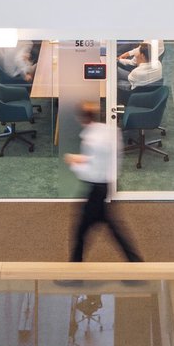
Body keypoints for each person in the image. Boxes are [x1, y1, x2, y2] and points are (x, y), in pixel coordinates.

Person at [66, 101, 143, 263]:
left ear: (80, 119)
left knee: (80, 231)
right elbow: (101, 159)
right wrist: (84, 159)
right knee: (113, 228)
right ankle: (136, 264)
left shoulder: (91, 140)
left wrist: (74, 163)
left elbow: (92, 172)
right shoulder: (108, 131)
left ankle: (74, 272)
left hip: (97, 188)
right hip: (105, 185)